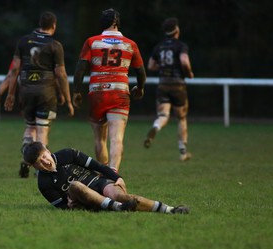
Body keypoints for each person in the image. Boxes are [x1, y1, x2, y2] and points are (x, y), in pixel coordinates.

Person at [72, 8, 146, 173]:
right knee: (117, 138)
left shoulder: (92, 41)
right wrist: (140, 88)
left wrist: (76, 91)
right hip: (119, 93)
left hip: (97, 93)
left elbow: (80, 69)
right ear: (117, 23)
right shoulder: (130, 44)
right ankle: (113, 173)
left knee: (100, 139)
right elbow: (141, 72)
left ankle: (104, 173)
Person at [22, 141, 190, 214]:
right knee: (75, 186)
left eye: (44, 156)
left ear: (47, 150)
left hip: (99, 183)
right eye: (39, 162)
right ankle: (118, 208)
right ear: (34, 167)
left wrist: (118, 177)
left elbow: (97, 166)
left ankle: (170, 210)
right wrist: (71, 205)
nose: (45, 161)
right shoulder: (43, 184)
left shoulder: (68, 153)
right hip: (84, 199)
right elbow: (62, 207)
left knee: (121, 196)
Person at [4, 11, 74, 178]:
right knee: (42, 131)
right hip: (46, 92)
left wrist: (10, 94)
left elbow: (14, 70)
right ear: (54, 25)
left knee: (30, 127)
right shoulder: (55, 45)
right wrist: (67, 98)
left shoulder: (23, 41)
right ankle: (39, 169)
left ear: (40, 24)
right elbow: (61, 74)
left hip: (26, 91)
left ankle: (26, 158)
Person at [143, 17, 194, 162]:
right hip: (178, 85)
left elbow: (151, 66)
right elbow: (184, 61)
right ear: (177, 30)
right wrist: (189, 73)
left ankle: (156, 126)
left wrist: (164, 68)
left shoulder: (159, 47)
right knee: (181, 118)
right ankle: (183, 152)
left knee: (163, 115)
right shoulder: (181, 46)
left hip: (163, 85)